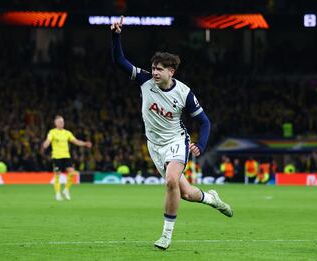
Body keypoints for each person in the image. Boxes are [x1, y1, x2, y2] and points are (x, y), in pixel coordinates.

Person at [111, 16, 233, 250]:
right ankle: (212, 199)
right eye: (154, 68)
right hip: (154, 145)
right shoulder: (145, 80)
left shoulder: (184, 94)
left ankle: (166, 236)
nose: (154, 73)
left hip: (176, 141)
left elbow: (205, 122)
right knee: (185, 193)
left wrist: (202, 144)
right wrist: (115, 36)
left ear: (171, 71)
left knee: (170, 182)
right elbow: (119, 60)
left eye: (159, 69)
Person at [42, 115, 92, 201]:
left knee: (72, 173)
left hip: (66, 156)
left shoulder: (67, 133)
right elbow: (48, 140)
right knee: (57, 175)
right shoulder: (52, 132)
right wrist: (46, 144)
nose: (62, 123)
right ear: (56, 123)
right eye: (60, 122)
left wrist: (85, 143)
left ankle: (66, 190)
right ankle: (57, 194)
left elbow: (75, 141)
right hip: (57, 157)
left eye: (63, 122)